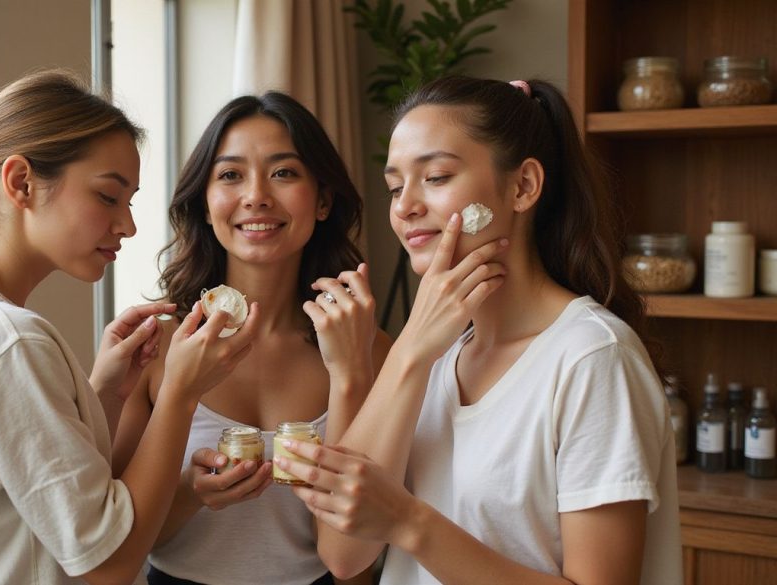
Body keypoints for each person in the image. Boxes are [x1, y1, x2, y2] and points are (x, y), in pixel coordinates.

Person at [276, 76, 683, 584]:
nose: (404, 207)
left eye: (436, 177)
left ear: (524, 186)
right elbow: (343, 554)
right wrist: (410, 351)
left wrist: (408, 522)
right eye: (395, 187)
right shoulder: (437, 357)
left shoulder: (593, 357)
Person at [0, 70, 260, 585]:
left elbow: (11, 495)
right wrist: (179, 393)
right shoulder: (6, 342)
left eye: (128, 202)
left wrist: (104, 394)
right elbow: (106, 565)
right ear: (21, 183)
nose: (128, 225)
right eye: (107, 196)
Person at [111, 92, 391, 585]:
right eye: (230, 175)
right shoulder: (152, 346)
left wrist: (353, 374)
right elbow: (113, 543)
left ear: (323, 200)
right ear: (204, 202)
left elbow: (354, 561)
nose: (256, 195)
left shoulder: (369, 349)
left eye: (283, 172)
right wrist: (190, 493)